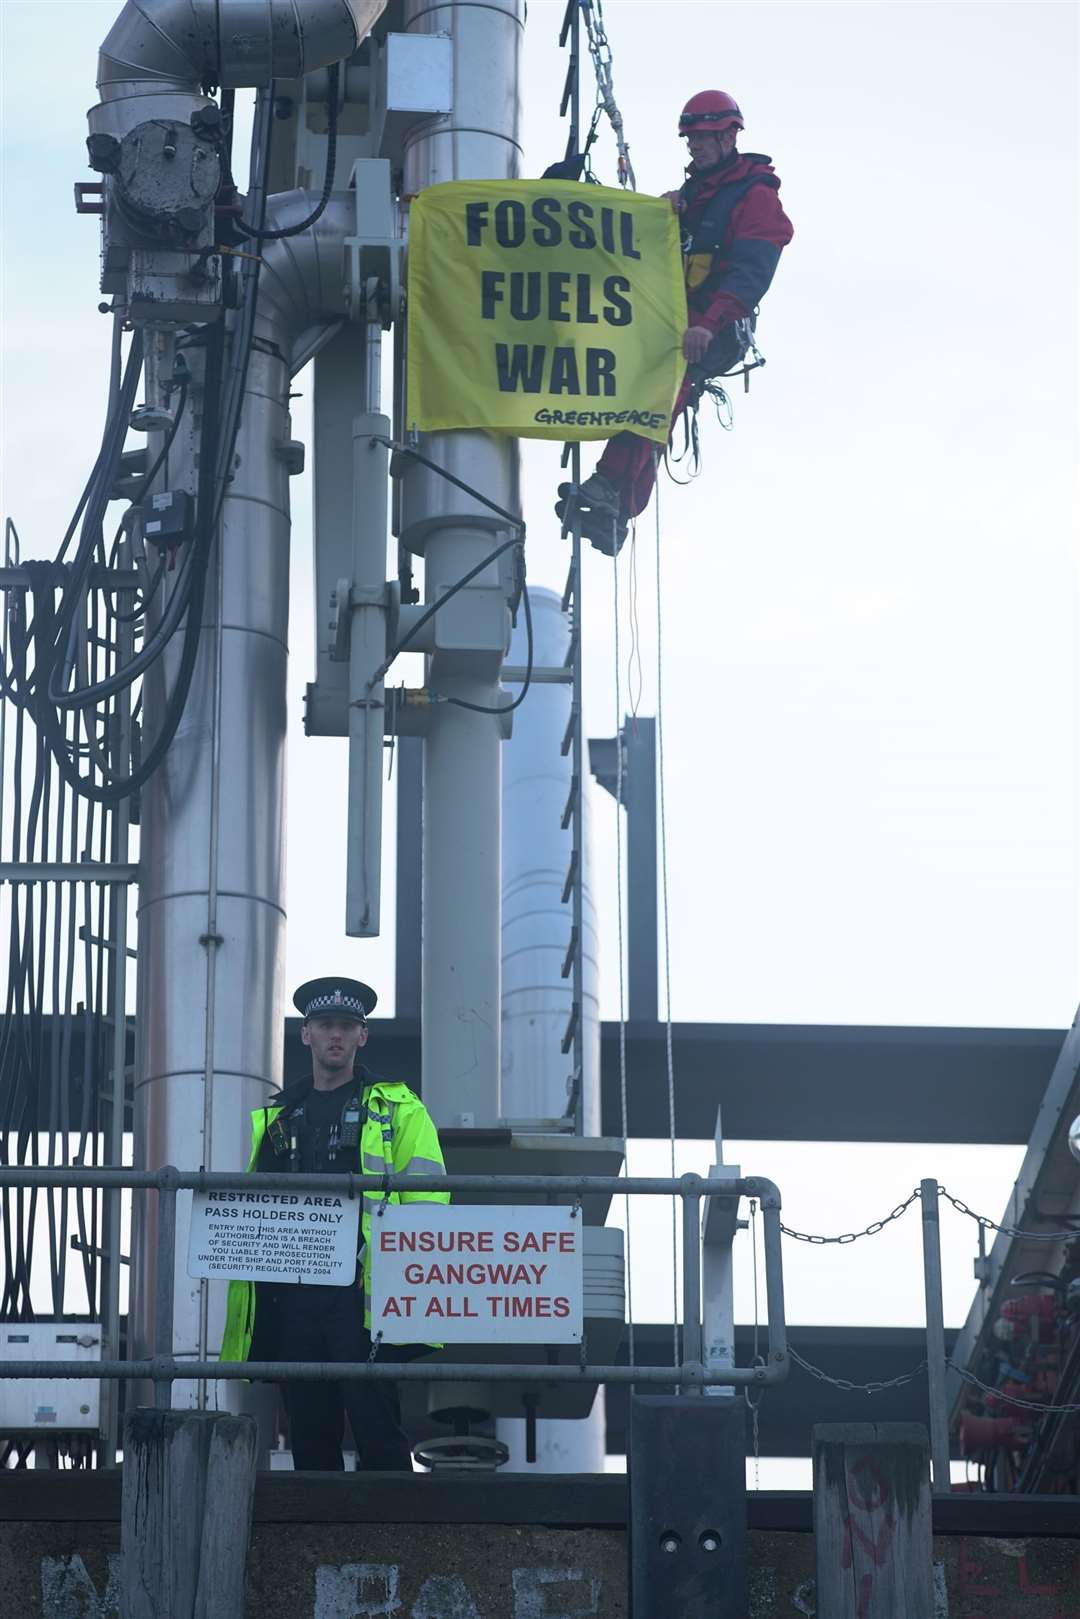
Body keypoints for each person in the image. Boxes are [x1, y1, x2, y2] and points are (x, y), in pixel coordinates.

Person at [219, 975, 449, 1471]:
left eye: (347, 1025)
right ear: (307, 1035)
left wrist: (401, 1280)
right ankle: (317, 1533)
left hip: (362, 1293)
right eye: (325, 1025)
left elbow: (428, 1197)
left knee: (376, 1420)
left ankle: (393, 1531)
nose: (336, 1035)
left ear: (362, 1036)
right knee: (308, 1426)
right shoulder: (278, 1117)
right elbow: (256, 1206)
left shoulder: (398, 1108)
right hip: (295, 1291)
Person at [557, 90, 794, 555]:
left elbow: (751, 271)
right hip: (678, 322)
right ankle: (616, 511)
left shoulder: (754, 196)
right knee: (653, 401)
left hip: (712, 327)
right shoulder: (695, 195)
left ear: (730, 136)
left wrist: (708, 323)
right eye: (690, 138)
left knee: (658, 395)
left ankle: (610, 490)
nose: (696, 146)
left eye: (705, 137)